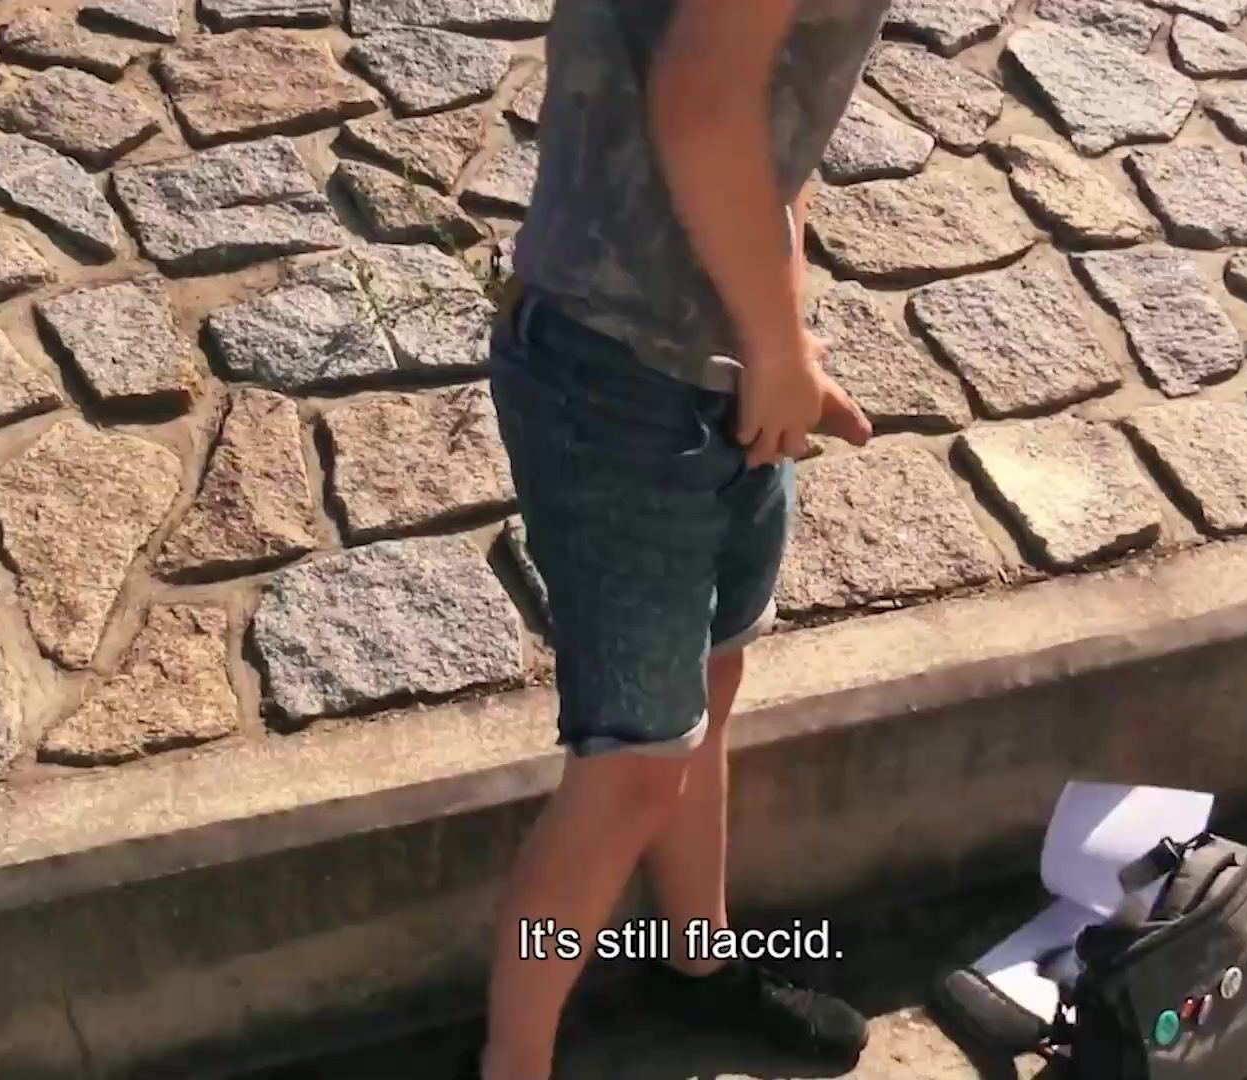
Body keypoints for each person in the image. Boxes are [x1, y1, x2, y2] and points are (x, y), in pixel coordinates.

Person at [468, 1, 886, 1077]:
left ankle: (696, 965)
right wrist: (777, 349)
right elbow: (701, 102)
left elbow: (764, 114)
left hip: (718, 363)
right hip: (615, 380)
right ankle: (514, 1065)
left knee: (713, 685)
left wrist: (779, 336)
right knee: (631, 769)